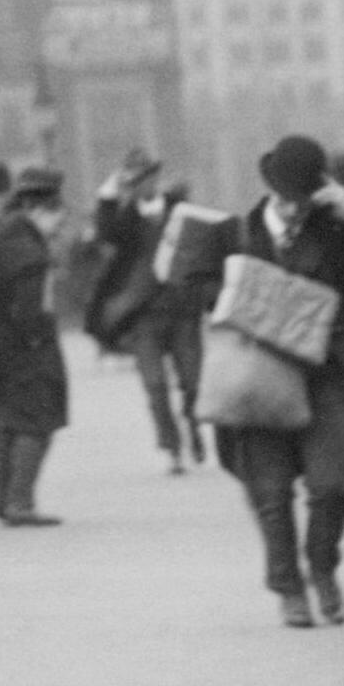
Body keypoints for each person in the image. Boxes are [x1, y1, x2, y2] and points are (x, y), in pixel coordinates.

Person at [204, 134, 344, 628]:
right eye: (287, 200)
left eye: (303, 200)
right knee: (270, 495)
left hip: (325, 376)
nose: (295, 211)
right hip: (259, 378)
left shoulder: (339, 229)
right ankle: (288, 588)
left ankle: (323, 569)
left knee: (329, 486)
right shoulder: (239, 237)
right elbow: (201, 291)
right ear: (272, 192)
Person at [87, 151, 206, 475]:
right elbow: (104, 231)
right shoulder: (124, 219)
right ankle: (172, 449)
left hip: (182, 311)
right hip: (143, 314)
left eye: (148, 177)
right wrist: (107, 194)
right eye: (135, 181)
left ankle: (194, 429)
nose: (144, 185)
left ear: (156, 177)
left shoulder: (178, 210)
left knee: (192, 382)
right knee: (155, 385)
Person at [0, 165, 73, 525]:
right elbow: (29, 310)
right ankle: (20, 502)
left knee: (7, 420)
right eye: (58, 218)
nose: (59, 228)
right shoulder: (29, 251)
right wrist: (40, 338)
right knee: (35, 421)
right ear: (40, 210)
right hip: (22, 350)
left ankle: (2, 496)